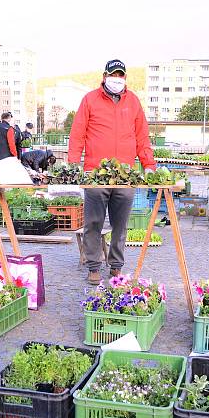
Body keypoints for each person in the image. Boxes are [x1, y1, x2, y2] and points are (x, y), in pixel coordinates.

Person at [68, 59, 156, 285]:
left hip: (125, 175)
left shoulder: (133, 101)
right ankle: (93, 266)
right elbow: (78, 132)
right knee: (94, 222)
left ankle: (116, 265)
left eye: (121, 75)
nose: (117, 78)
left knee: (120, 224)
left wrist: (148, 165)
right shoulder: (90, 99)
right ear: (105, 76)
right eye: (113, 74)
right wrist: (73, 162)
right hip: (95, 174)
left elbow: (142, 136)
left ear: (125, 77)